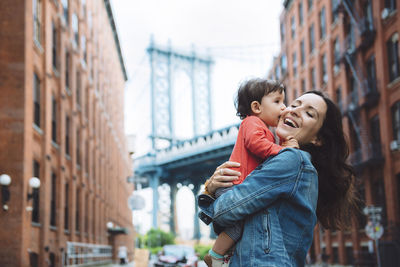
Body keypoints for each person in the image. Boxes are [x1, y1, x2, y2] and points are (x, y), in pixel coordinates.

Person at [198, 91, 359, 267]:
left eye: (309, 113)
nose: (296, 111)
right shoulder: (285, 166)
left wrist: (210, 192)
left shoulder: (293, 160)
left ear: (317, 138)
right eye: (295, 104)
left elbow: (225, 213)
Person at [202, 78, 299, 267]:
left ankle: (222, 254)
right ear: (256, 107)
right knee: (238, 226)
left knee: (241, 227)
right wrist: (285, 151)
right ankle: (215, 255)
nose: (284, 107)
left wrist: (283, 144)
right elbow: (257, 145)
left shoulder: (264, 129)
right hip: (234, 186)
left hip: (239, 186)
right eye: (277, 101)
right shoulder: (252, 122)